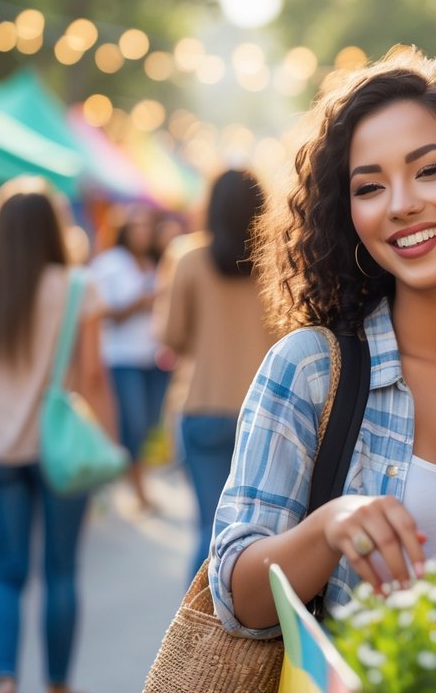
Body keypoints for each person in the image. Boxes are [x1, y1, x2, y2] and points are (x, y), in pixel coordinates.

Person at [208, 53, 436, 636]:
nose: (400, 204)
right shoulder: (310, 370)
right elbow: (238, 601)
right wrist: (329, 527)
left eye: (430, 170)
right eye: (370, 186)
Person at [0, 177, 116, 693]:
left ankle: (5, 681)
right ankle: (56, 685)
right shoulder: (78, 287)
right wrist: (111, 441)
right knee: (62, 573)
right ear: (54, 228)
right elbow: (92, 374)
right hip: (59, 450)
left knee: (5, 575)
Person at [153, 169, 278, 579]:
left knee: (209, 531)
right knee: (258, 535)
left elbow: (171, 337)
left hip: (203, 406)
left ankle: (196, 636)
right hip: (266, 412)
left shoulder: (188, 259)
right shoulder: (276, 259)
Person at [90, 203, 168, 510]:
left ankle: (132, 483)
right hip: (122, 358)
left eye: (147, 226)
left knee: (147, 425)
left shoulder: (151, 264)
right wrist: (140, 302)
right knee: (132, 425)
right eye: (136, 226)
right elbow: (100, 311)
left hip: (151, 358)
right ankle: (136, 490)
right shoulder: (110, 263)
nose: (143, 232)